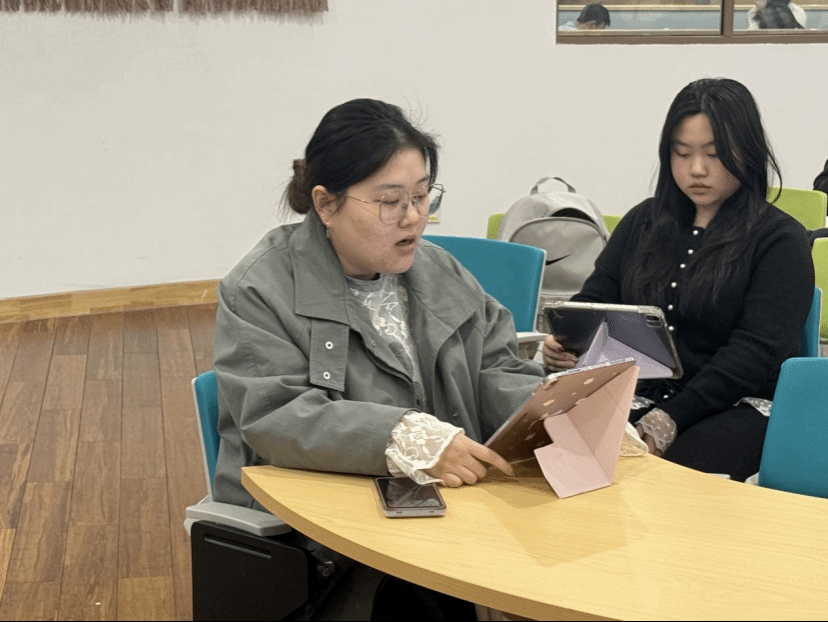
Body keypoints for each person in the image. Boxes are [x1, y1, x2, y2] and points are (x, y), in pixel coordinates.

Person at [211, 97, 547, 618]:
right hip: (330, 541)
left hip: (448, 515)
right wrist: (402, 436)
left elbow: (496, 365)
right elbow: (277, 416)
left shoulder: (438, 270)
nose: (413, 218)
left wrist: (551, 415)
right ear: (326, 205)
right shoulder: (259, 289)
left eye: (422, 196)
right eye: (390, 201)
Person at [542, 78, 814, 483]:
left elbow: (755, 354)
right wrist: (564, 346)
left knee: (661, 476)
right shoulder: (643, 221)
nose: (696, 169)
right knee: (546, 446)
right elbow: (595, 300)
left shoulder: (779, 239)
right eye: (682, 153)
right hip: (639, 398)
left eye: (714, 154)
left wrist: (669, 418)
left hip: (734, 405)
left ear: (748, 151)